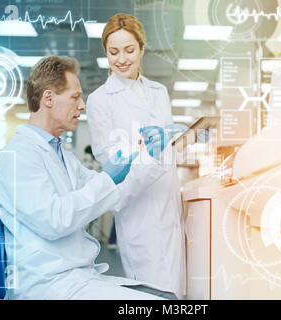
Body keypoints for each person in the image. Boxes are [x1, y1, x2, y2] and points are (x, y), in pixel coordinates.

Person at [0, 56, 177, 300]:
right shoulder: (19, 155)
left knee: (168, 296)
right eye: (75, 96)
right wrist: (107, 177)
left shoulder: (63, 156)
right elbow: (54, 220)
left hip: (77, 278)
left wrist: (149, 157)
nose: (82, 105)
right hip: (47, 284)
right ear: (48, 98)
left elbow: (115, 197)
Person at [86, 13, 187, 299]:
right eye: (113, 52)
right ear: (105, 52)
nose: (121, 59)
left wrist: (184, 139)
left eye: (129, 50)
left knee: (176, 293)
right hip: (139, 215)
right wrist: (149, 154)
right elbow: (113, 169)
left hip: (170, 206)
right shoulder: (100, 101)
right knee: (151, 295)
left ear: (142, 48)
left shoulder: (159, 92)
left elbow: (168, 151)